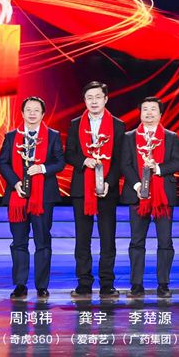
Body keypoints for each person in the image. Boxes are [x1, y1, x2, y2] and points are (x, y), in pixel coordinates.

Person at [0, 96, 65, 301]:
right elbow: (3, 163)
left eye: (37, 110)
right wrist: (15, 183)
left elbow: (60, 162)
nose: (32, 113)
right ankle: (20, 284)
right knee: (19, 242)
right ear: (22, 113)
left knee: (42, 241)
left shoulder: (52, 136)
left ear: (43, 114)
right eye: (28, 110)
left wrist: (42, 168)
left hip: (43, 197)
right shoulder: (11, 136)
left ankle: (42, 286)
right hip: (17, 196)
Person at [65, 81, 126, 299]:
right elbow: (69, 153)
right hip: (82, 189)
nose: (93, 101)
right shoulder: (75, 124)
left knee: (107, 238)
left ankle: (107, 283)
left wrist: (109, 181)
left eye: (98, 97)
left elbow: (120, 159)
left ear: (106, 99)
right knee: (83, 239)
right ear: (84, 100)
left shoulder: (118, 125)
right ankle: (84, 282)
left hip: (106, 190)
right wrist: (84, 160)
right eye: (89, 97)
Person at [120, 97, 179, 298]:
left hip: (163, 196)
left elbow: (178, 162)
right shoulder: (129, 137)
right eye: (145, 109)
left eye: (153, 109)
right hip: (137, 195)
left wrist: (157, 168)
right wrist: (138, 185)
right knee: (136, 241)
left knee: (165, 241)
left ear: (160, 114)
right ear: (140, 114)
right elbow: (125, 164)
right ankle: (136, 285)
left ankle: (163, 284)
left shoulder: (170, 137)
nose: (149, 113)